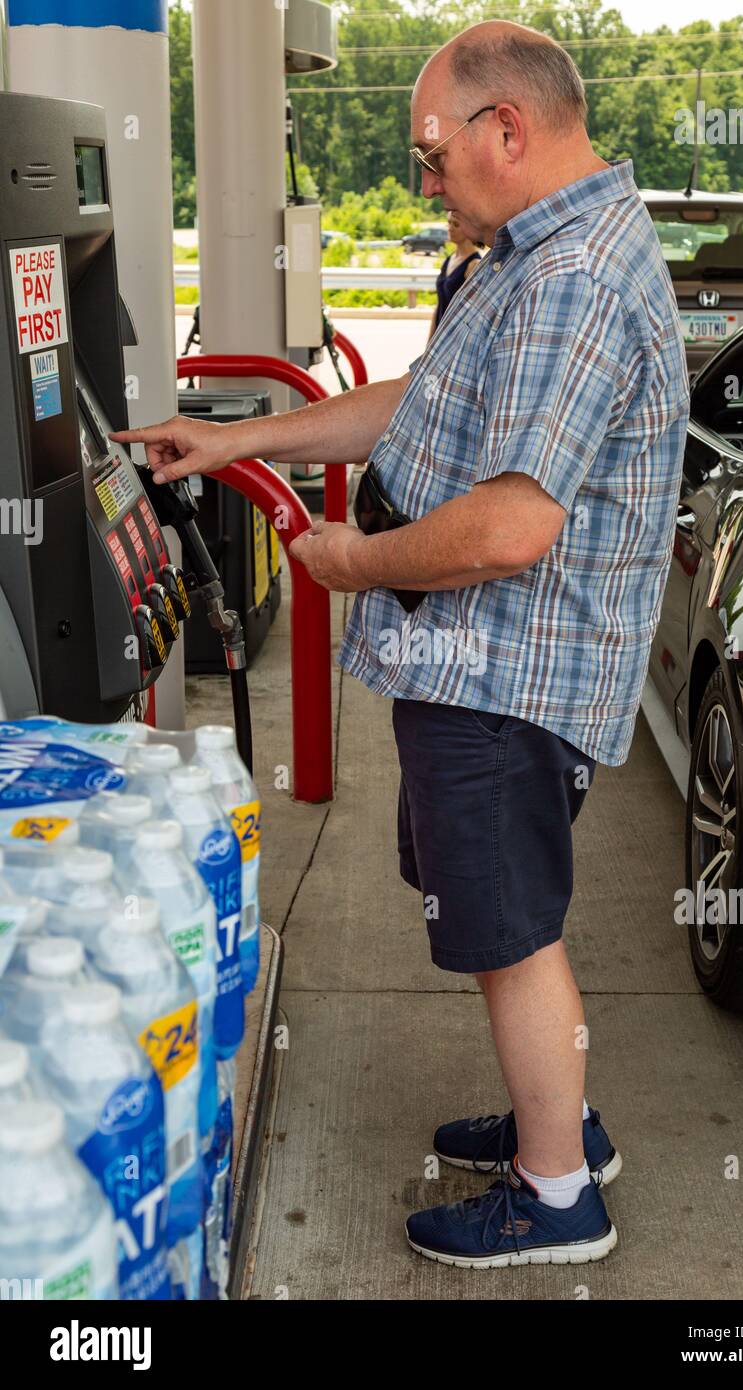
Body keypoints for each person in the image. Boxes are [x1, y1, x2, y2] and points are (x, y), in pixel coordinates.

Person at [113, 19, 690, 1272]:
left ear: (508, 130)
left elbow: (508, 527)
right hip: (475, 669)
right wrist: (241, 443)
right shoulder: (527, 253)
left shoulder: (571, 281)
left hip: (504, 674)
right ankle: (562, 1126)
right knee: (504, 915)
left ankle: (554, 1200)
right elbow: (419, 404)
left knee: (508, 930)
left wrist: (348, 564)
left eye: (432, 156)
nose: (424, 182)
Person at [429, 209, 485, 337]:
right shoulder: (449, 260)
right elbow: (439, 304)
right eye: (449, 223)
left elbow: (475, 315)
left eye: (456, 224)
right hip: (439, 337)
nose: (450, 228)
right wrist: (429, 343)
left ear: (470, 228)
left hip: (456, 339)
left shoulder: (474, 264)